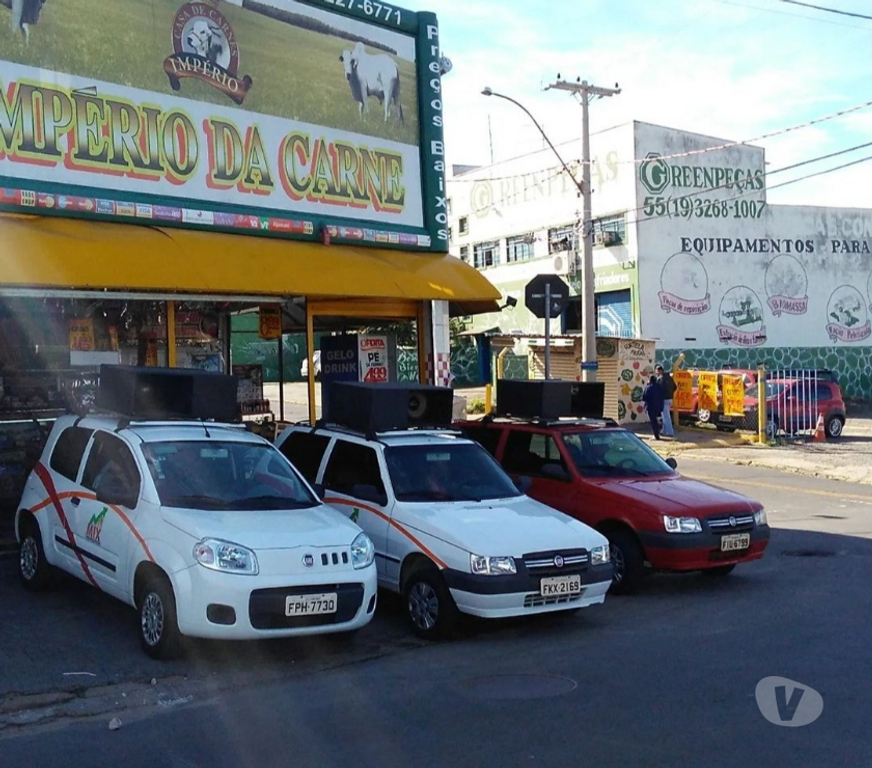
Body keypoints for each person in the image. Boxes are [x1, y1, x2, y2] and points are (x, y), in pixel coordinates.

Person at [642, 374, 665, 440]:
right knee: (657, 420)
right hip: (659, 406)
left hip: (650, 407)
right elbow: (662, 396)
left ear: (650, 380)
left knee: (653, 421)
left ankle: (656, 435)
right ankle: (658, 433)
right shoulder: (659, 387)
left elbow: (644, 397)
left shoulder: (648, 387)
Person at [656, 364, 676, 437]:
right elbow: (675, 387)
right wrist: (671, 393)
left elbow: (657, 389)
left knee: (665, 416)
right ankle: (664, 431)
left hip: (664, 399)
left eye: (657, 371)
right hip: (670, 398)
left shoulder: (660, 379)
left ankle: (670, 432)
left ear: (659, 371)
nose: (656, 373)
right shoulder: (669, 378)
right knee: (665, 415)